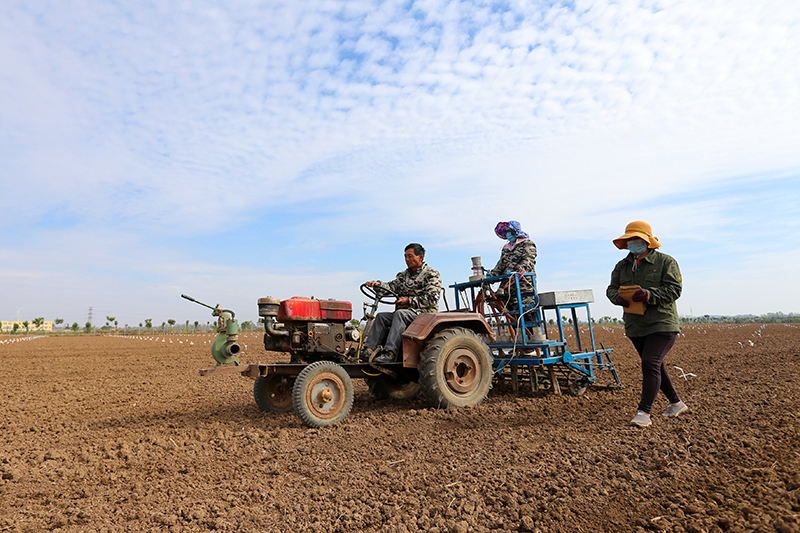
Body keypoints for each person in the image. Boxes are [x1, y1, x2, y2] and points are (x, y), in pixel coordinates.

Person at [606, 221, 688, 427]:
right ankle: (676, 403)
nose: (633, 243)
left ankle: (644, 413)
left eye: (637, 240)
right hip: (636, 325)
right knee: (655, 364)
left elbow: (674, 290)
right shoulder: (622, 266)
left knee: (650, 363)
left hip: (662, 323)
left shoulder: (666, 262)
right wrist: (617, 298)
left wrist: (649, 295)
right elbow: (611, 289)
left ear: (647, 241)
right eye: (630, 240)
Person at [363, 243, 442, 364]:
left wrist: (408, 301)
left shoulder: (431, 275)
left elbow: (432, 298)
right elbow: (391, 286)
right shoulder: (403, 276)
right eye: (405, 256)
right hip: (405, 314)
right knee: (381, 317)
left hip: (424, 315)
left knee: (400, 314)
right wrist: (378, 285)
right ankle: (368, 349)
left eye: (410, 256)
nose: (407, 259)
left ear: (420, 257)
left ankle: (389, 352)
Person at [489, 221, 537, 313]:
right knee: (506, 311)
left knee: (525, 313)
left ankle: (529, 327)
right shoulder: (506, 248)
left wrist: (518, 270)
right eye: (505, 232)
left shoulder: (527, 243)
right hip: (507, 287)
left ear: (515, 231)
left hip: (523, 286)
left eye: (508, 231)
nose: (507, 234)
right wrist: (491, 276)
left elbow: (528, 259)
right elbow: (501, 265)